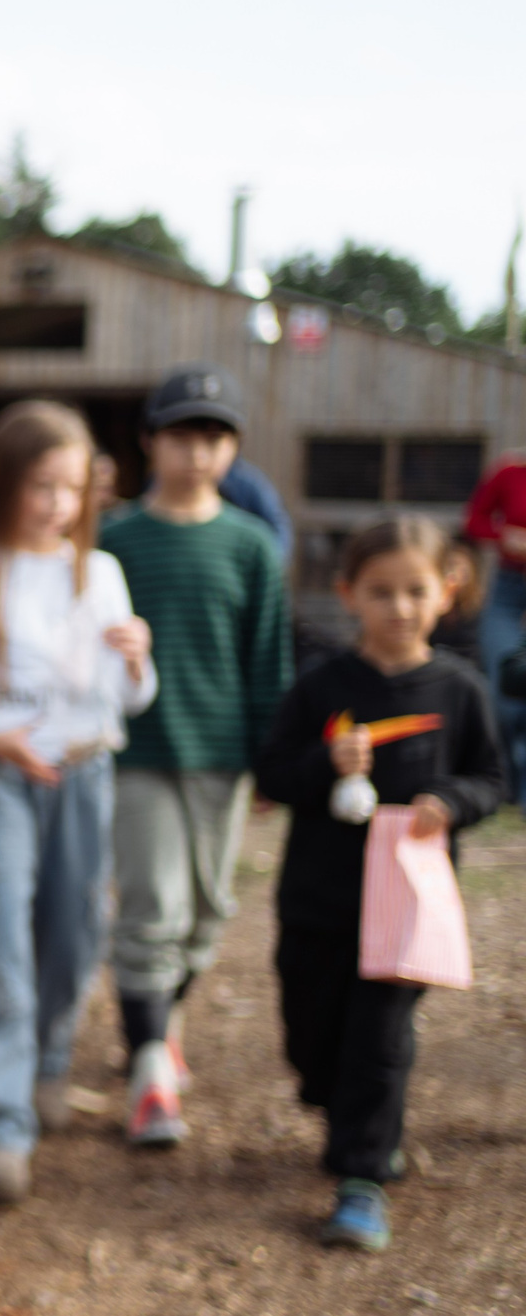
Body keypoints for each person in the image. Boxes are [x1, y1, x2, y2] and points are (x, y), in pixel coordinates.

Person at [251, 519, 509, 1251]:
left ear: (447, 591)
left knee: (380, 1036)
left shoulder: (460, 689)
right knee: (312, 1033)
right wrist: (324, 764)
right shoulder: (321, 686)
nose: (399, 606)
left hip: (407, 907)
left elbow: (493, 779)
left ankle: (362, 1176)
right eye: (381, 591)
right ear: (348, 595)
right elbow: (272, 773)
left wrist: (450, 802)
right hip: (318, 900)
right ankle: (337, 1099)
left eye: (415, 590)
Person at [0, 403, 156, 1205]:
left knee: (73, 931)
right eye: (41, 486)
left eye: (72, 487)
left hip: (83, 774)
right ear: (7, 485)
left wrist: (137, 659)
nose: (59, 503)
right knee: (3, 941)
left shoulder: (101, 574)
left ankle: (47, 1062)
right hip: (2, 778)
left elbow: (129, 701)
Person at [99, 363, 291, 1148]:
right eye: (182, 434)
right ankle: (148, 1066)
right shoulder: (114, 539)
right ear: (151, 442)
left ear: (234, 448)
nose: (198, 451)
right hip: (138, 750)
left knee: (209, 911)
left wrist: (272, 756)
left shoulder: (251, 546)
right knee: (152, 906)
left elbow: (267, 657)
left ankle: (163, 1022)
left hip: (223, 754)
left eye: (214, 436)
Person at [462, 450, 526, 786]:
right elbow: (473, 521)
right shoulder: (509, 471)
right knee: (505, 682)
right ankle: (505, 780)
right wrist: (505, 535)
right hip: (509, 587)